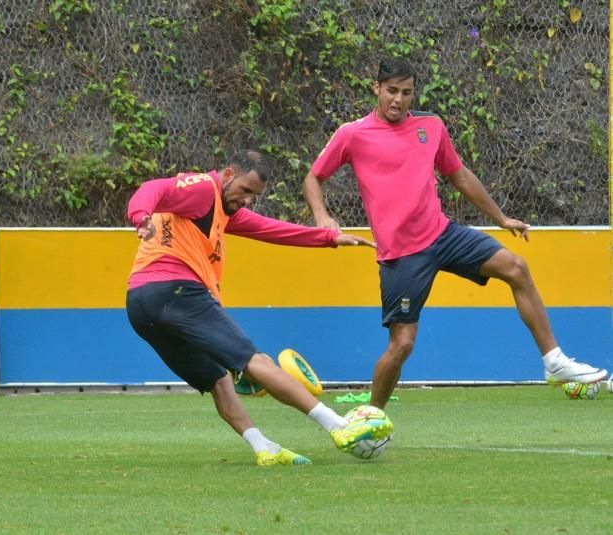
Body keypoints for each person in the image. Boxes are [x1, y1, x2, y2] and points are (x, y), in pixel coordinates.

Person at [302, 57, 607, 409]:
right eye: (391, 91)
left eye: (406, 93)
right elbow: (313, 177)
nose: (398, 100)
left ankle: (554, 362)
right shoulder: (352, 134)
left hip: (443, 234)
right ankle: (371, 416)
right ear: (376, 88)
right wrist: (322, 216)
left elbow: (458, 175)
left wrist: (500, 217)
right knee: (402, 344)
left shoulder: (430, 127)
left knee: (516, 267)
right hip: (401, 255)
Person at [126, 149, 390, 466]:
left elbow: (271, 229)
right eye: (246, 190)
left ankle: (264, 447)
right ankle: (338, 426)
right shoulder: (202, 190)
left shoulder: (222, 210)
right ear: (227, 175)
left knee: (218, 380)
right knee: (255, 360)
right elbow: (152, 188)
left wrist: (329, 238)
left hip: (140, 306)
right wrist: (140, 216)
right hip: (175, 290)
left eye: (255, 195)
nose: (249, 200)